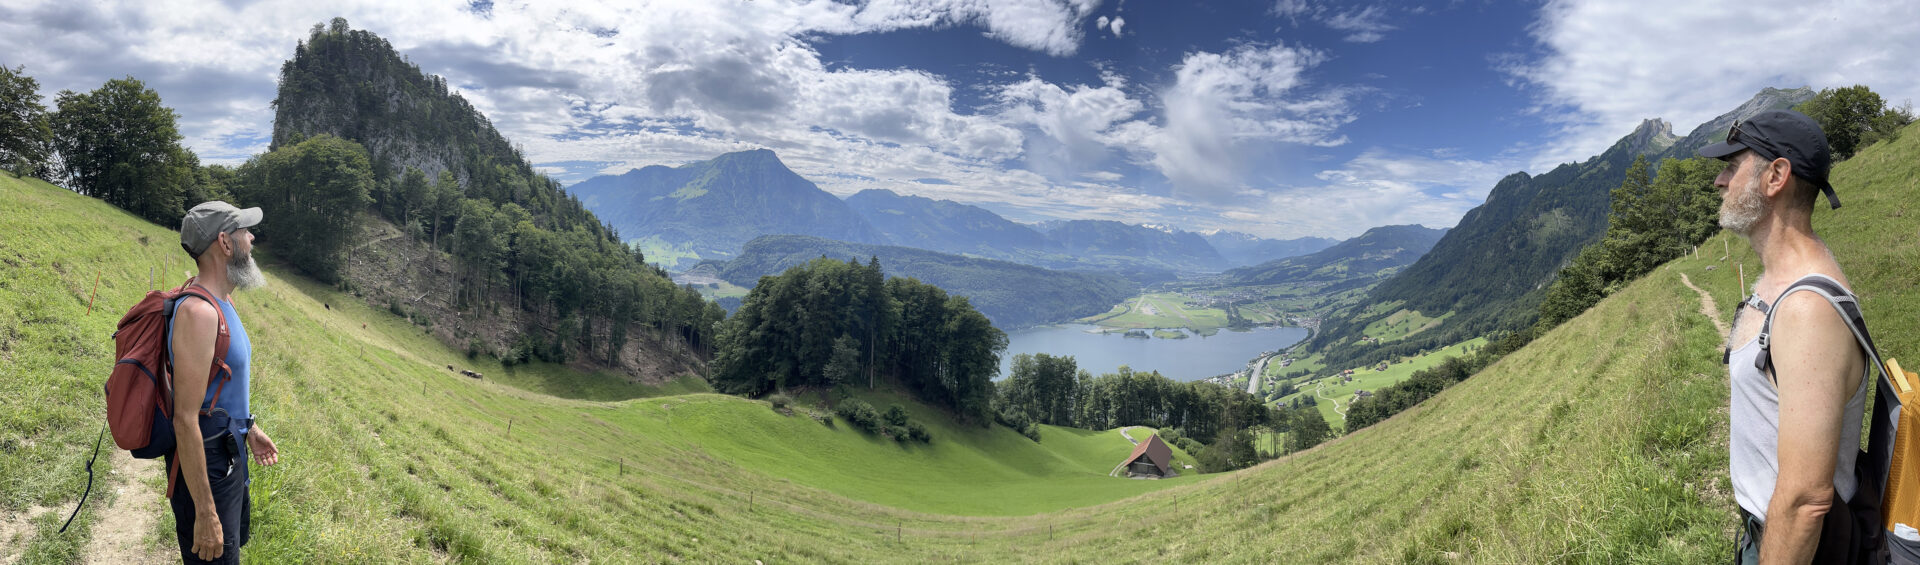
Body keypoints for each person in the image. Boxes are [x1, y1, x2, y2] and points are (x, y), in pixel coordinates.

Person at [1702, 109, 1869, 563]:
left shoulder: (1806, 310)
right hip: (1765, 526)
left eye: (1732, 166)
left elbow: (1804, 502)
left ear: (1775, 176)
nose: (1720, 181)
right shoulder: (1780, 281)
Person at [168, 201, 280, 563]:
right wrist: (205, 512)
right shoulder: (198, 313)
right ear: (225, 244)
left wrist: (250, 429)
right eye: (245, 231)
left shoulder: (223, 302)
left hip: (227, 451)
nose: (252, 238)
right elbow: (185, 418)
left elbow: (218, 390)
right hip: (208, 464)